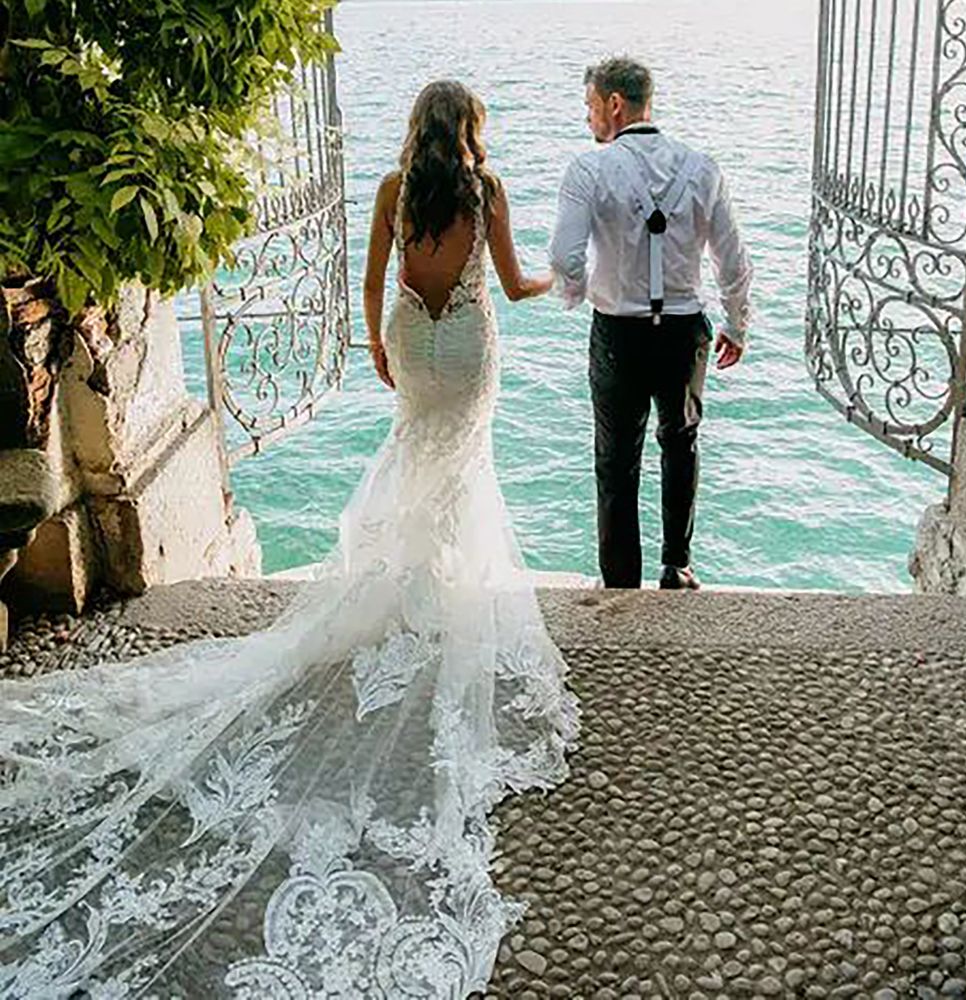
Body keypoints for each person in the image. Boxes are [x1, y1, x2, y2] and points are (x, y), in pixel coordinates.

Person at [0, 80, 577, 998]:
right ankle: (439, 598)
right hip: (466, 343)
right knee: (459, 473)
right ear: (469, 130)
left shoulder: (394, 189)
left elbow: (371, 275)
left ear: (413, 126)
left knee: (412, 462)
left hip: (410, 336)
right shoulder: (490, 192)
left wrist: (380, 344)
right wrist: (561, 280)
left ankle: (403, 587)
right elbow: (511, 283)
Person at [550, 56, 753, 591]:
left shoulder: (588, 171)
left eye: (591, 106)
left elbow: (565, 258)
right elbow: (732, 259)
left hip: (618, 332)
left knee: (616, 461)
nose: (589, 118)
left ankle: (620, 582)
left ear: (615, 104)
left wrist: (579, 292)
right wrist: (737, 323)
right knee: (681, 444)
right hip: (685, 332)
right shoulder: (702, 167)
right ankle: (677, 566)